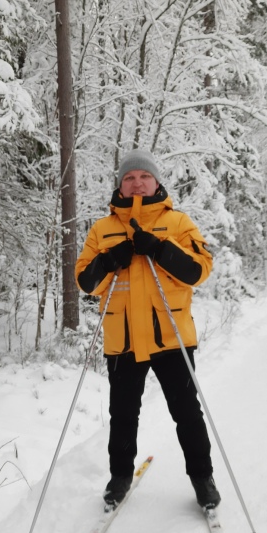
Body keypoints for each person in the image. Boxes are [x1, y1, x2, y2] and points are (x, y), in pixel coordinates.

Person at [75, 148, 220, 511]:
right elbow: (85, 282)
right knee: (123, 415)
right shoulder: (102, 229)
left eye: (144, 177)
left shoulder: (178, 223)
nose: (137, 183)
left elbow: (198, 270)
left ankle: (203, 478)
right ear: (120, 185)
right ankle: (120, 476)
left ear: (156, 182)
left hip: (171, 337)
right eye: (129, 177)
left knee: (187, 413)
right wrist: (111, 258)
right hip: (122, 340)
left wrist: (158, 248)